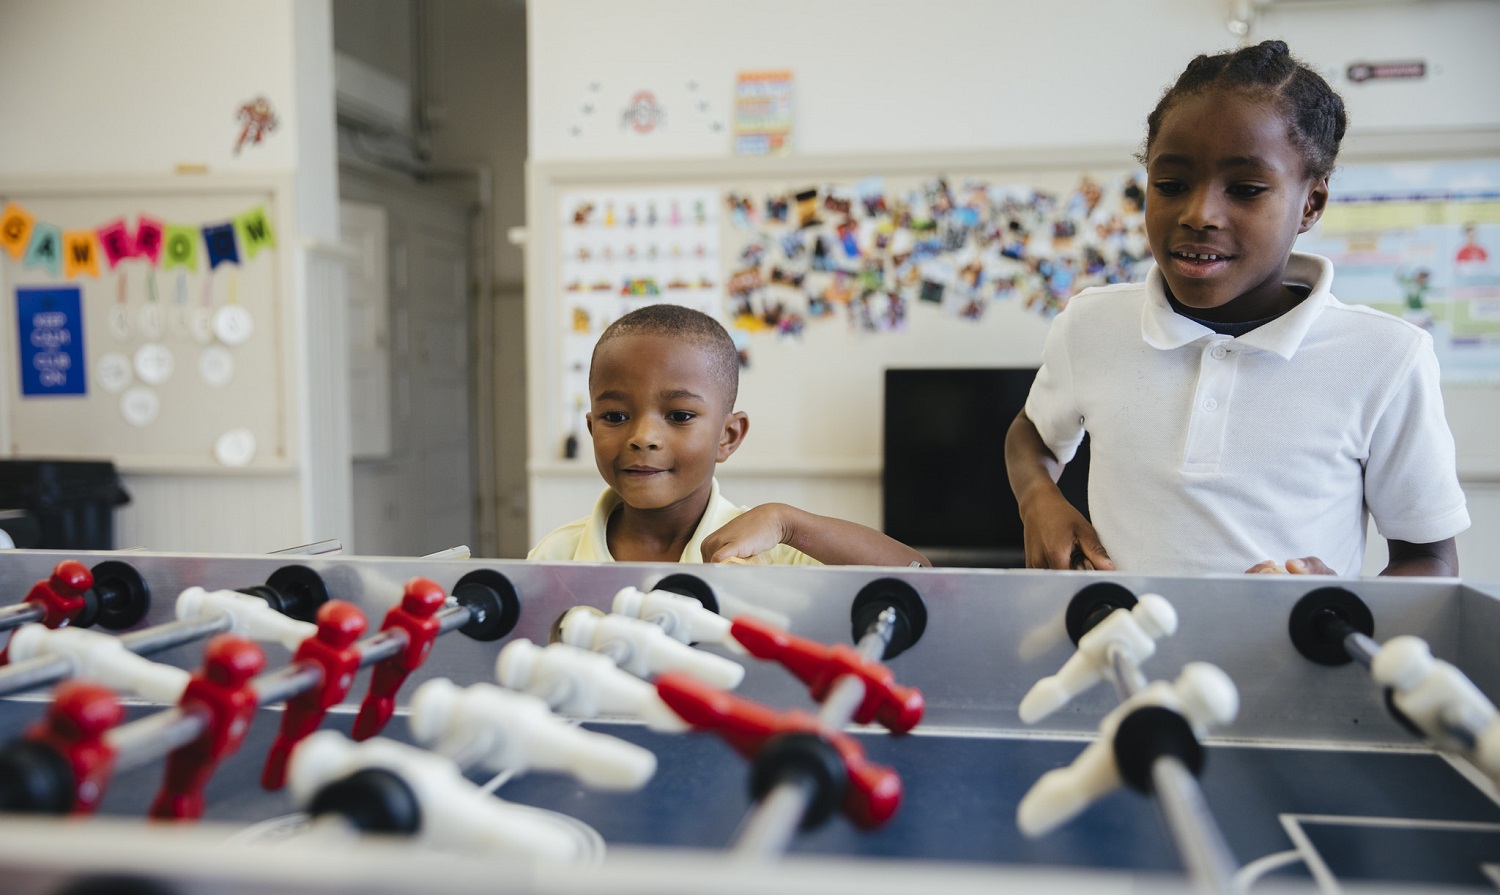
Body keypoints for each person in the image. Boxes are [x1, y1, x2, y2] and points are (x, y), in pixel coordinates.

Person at [1005, 40, 1468, 578]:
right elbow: (1031, 435)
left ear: (1311, 204)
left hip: (1287, 663)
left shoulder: (1387, 358)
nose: (1199, 213)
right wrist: (1039, 497)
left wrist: (1339, 603)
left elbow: (1429, 557)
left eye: (1246, 189)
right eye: (1171, 185)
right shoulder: (1091, 324)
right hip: (1119, 654)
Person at [529, 303, 930, 566]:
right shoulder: (556, 557)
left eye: (680, 415)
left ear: (729, 436)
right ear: (591, 427)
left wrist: (787, 522)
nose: (644, 437)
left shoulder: (773, 547)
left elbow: (921, 575)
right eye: (615, 416)